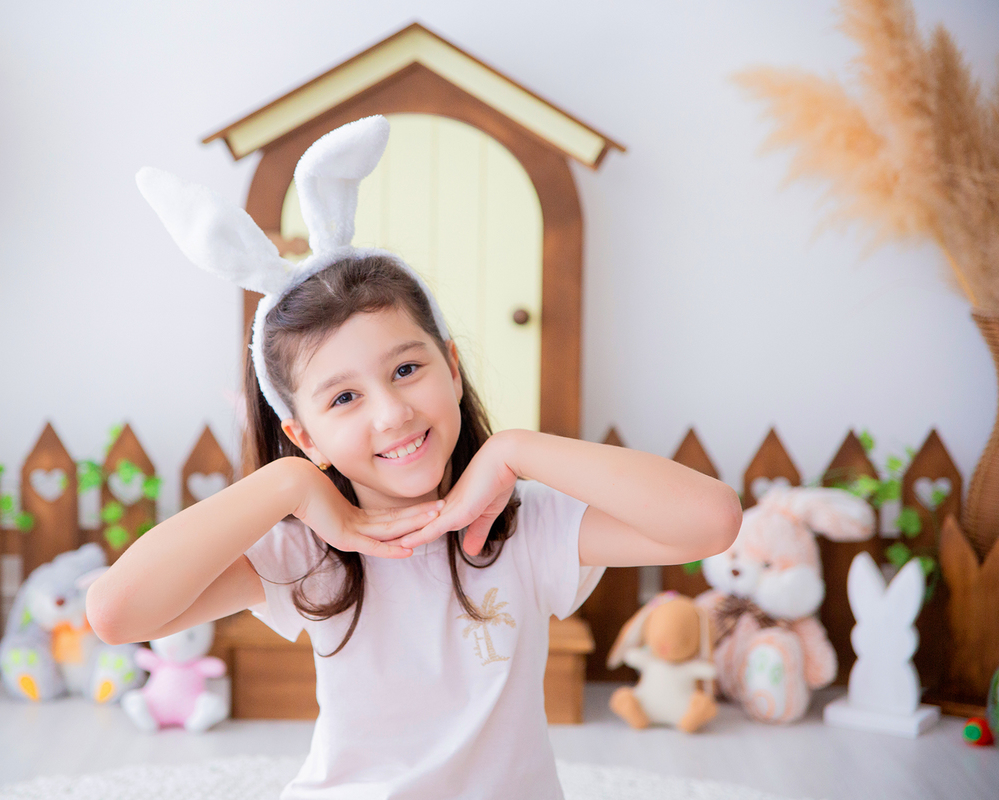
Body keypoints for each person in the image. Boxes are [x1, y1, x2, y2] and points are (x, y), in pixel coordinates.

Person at [86, 116, 741, 799]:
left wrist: (515, 451)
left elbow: (713, 519)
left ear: (452, 368)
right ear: (304, 434)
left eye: (405, 370)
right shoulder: (304, 555)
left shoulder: (526, 529)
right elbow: (115, 613)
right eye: (342, 399)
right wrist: (286, 483)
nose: (391, 413)